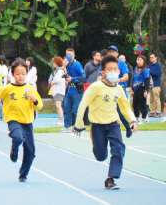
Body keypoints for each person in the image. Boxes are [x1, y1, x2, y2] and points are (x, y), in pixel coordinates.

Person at [74, 55, 138, 190]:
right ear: (103, 72)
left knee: (119, 149)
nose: (113, 72)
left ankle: (111, 178)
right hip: (97, 126)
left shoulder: (119, 89)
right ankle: (96, 144)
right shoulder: (95, 87)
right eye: (110, 69)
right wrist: (78, 124)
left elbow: (125, 107)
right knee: (100, 156)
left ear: (119, 71)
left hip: (113, 124)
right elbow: (83, 104)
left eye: (116, 69)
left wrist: (133, 120)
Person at [0, 58, 43, 182]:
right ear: (13, 74)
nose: (20, 76)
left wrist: (34, 100)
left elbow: (39, 106)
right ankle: (14, 149)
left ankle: (23, 174)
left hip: (28, 122)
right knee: (18, 137)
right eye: (17, 74)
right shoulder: (7, 89)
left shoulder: (30, 89)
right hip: (13, 120)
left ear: (27, 74)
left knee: (31, 152)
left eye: (23, 73)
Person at [63, 48, 85, 131]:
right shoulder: (67, 65)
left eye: (70, 55)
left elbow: (83, 77)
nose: (68, 56)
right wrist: (64, 67)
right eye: (67, 54)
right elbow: (66, 76)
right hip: (69, 89)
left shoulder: (77, 64)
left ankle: (77, 126)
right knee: (66, 107)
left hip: (77, 89)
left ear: (74, 55)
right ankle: (67, 126)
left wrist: (72, 79)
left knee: (75, 109)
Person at [132, 55, 151, 124]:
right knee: (134, 104)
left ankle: (144, 117)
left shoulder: (146, 69)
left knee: (142, 104)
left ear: (144, 61)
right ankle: (137, 118)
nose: (138, 61)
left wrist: (146, 90)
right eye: (137, 60)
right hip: (135, 89)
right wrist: (132, 88)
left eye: (140, 60)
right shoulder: (135, 68)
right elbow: (133, 79)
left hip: (142, 88)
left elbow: (147, 80)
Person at [48, 57, 66, 126]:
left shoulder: (60, 71)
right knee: (58, 106)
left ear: (57, 63)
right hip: (57, 91)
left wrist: (52, 82)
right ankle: (60, 120)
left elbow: (56, 80)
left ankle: (61, 121)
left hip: (59, 91)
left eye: (54, 62)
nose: (53, 64)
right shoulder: (56, 71)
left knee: (58, 106)